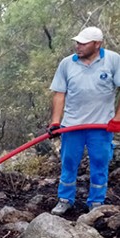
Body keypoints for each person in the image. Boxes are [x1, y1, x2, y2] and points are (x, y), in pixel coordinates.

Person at [48, 26, 120, 216]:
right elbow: (59, 93)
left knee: (100, 162)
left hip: (101, 126)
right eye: (77, 42)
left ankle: (96, 202)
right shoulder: (67, 64)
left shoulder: (113, 60)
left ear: (97, 44)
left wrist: (118, 118)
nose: (78, 46)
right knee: (69, 162)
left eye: (83, 43)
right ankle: (65, 199)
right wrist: (55, 122)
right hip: (72, 125)